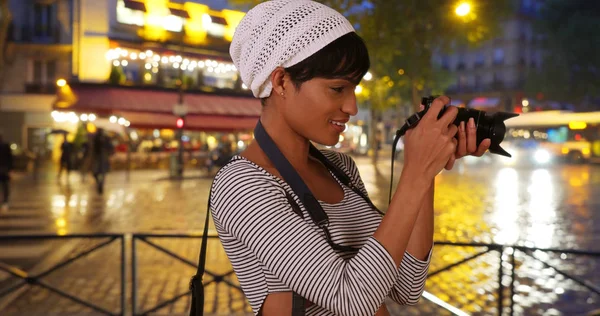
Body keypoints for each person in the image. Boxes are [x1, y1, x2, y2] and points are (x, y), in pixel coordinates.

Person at [209, 1, 491, 315]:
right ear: (281, 82)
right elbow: (351, 300)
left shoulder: (341, 168)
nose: (352, 107)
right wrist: (415, 171)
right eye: (337, 88)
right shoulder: (242, 185)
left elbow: (407, 287)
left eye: (354, 88)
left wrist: (427, 170)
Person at [91, 129, 113, 194]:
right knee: (96, 172)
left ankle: (100, 184)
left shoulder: (106, 138)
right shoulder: (96, 138)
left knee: (102, 172)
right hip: (97, 157)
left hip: (102, 157)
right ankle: (99, 183)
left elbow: (110, 148)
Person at [0, 132, 13, 212]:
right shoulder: (6, 146)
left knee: (5, 186)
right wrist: (10, 169)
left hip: (4, 169)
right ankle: (5, 202)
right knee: (5, 187)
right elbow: (10, 158)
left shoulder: (5, 146)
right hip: (4, 169)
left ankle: (5, 202)